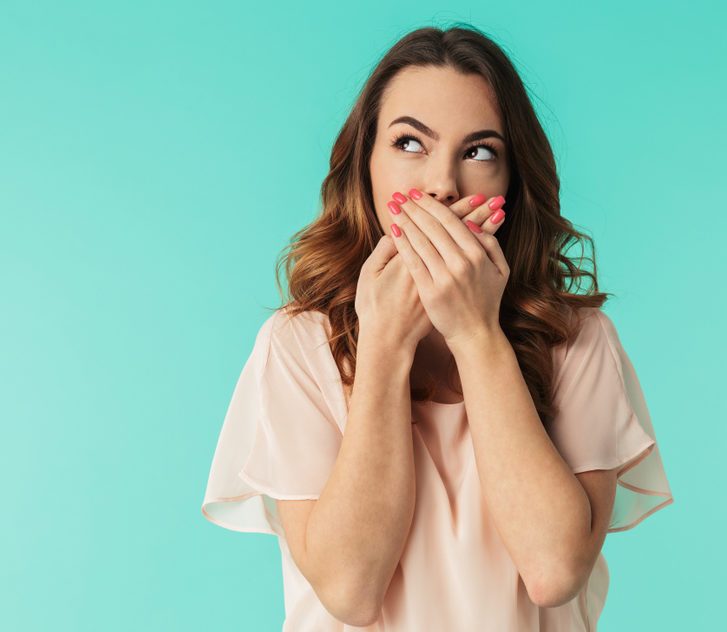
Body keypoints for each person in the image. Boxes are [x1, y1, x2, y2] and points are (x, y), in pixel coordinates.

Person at [201, 24, 674, 631]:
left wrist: (476, 334)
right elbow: (349, 590)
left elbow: (555, 571)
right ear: (364, 166)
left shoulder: (577, 339)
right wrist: (386, 346)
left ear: (511, 180)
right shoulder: (298, 346)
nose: (442, 185)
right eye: (409, 144)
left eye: (479, 152)